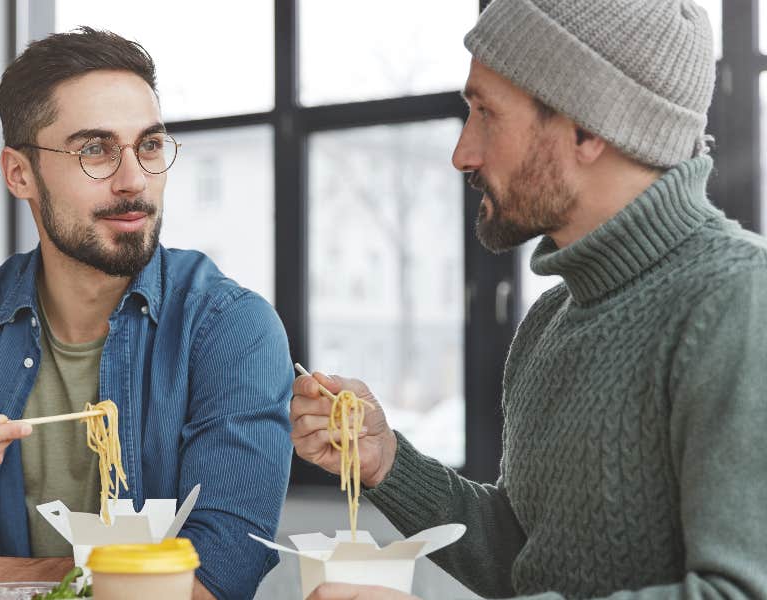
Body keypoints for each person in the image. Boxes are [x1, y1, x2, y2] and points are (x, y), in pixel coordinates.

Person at [292, 1, 767, 598]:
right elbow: (525, 559)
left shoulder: (740, 301)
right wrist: (387, 463)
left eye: (485, 112)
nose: (462, 153)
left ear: (590, 128)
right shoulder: (549, 321)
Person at [0, 27, 293, 600]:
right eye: (95, 150)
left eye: (150, 145)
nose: (134, 180)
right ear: (19, 174)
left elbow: (218, 581)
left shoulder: (230, 327)